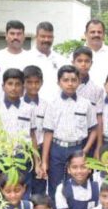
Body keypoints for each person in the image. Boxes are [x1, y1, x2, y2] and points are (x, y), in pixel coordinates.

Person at [41, 65, 98, 198]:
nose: (70, 83)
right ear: (59, 83)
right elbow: (48, 133)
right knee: (56, 186)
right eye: (65, 80)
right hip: (57, 149)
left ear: (79, 81)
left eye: (73, 80)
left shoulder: (86, 104)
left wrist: (85, 150)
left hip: (78, 148)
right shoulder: (52, 104)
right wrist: (44, 161)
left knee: (78, 184)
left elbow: (94, 129)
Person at [0, 68, 41, 189]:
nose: (13, 88)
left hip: (23, 157)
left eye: (17, 84)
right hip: (2, 157)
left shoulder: (29, 109)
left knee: (23, 191)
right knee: (3, 193)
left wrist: (37, 163)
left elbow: (32, 136)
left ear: (23, 87)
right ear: (3, 86)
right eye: (10, 84)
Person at [24, 65, 48, 195]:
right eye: (29, 82)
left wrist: (41, 160)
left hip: (41, 149)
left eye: (36, 82)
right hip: (24, 152)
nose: (33, 86)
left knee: (39, 188)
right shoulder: (20, 104)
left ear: (42, 83)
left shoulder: (46, 106)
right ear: (24, 83)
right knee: (23, 186)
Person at [28, 22, 66, 102]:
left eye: (49, 37)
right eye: (43, 36)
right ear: (36, 37)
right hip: (33, 107)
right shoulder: (26, 58)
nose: (46, 40)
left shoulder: (62, 60)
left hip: (57, 108)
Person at [83, 19, 108, 87]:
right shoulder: (76, 54)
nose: (96, 34)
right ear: (86, 34)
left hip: (107, 97)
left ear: (104, 34)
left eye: (99, 32)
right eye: (92, 32)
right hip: (81, 96)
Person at [73, 46, 106, 115]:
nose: (83, 64)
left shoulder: (97, 90)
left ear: (91, 63)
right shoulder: (65, 87)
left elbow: (99, 116)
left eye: (87, 61)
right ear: (73, 62)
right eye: (79, 61)